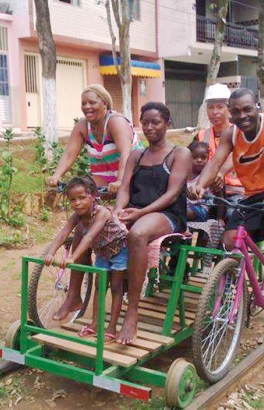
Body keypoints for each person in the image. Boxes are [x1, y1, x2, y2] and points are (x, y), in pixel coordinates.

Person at [191, 88, 264, 293]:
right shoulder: (231, 134)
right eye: (236, 112)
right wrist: (199, 185)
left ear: (258, 107)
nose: (242, 116)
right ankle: (237, 289)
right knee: (229, 239)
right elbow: (215, 163)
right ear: (230, 114)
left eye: (247, 109)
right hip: (252, 194)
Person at [45, 84, 142, 321]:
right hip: (103, 184)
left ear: (106, 103)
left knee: (112, 229)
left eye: (93, 102)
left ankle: (122, 281)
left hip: (133, 181)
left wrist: (121, 179)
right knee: (82, 226)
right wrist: (57, 175)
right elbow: (70, 153)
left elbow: (126, 154)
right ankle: (74, 296)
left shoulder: (116, 122)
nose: (87, 107)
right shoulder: (83, 126)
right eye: (84, 103)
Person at [113, 102, 191, 344]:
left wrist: (139, 213)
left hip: (167, 214)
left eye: (155, 122)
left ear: (168, 124)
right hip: (136, 210)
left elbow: (172, 194)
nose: (149, 127)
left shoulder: (180, 154)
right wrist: (117, 211)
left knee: (137, 234)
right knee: (99, 227)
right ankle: (86, 303)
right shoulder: (136, 155)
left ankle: (132, 312)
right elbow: (124, 188)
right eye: (145, 122)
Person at [43, 176, 129, 343]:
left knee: (117, 287)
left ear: (93, 196)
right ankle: (95, 324)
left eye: (82, 198)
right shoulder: (76, 216)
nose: (77, 203)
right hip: (103, 252)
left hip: (120, 250)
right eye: (72, 200)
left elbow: (89, 237)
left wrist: (73, 257)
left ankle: (111, 328)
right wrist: (50, 253)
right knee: (99, 287)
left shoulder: (102, 212)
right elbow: (63, 234)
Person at [196, 84, 245, 201]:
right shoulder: (201, 136)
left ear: (229, 109)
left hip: (239, 193)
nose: (215, 112)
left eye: (220, 107)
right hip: (209, 194)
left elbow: (241, 153)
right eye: (211, 107)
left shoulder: (241, 133)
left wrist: (221, 172)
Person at [186, 141, 211, 222]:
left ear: (208, 158)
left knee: (186, 212)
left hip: (200, 208)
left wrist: (220, 218)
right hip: (184, 205)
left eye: (203, 157)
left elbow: (220, 195)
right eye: (194, 157)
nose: (199, 160)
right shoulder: (183, 174)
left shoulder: (209, 176)